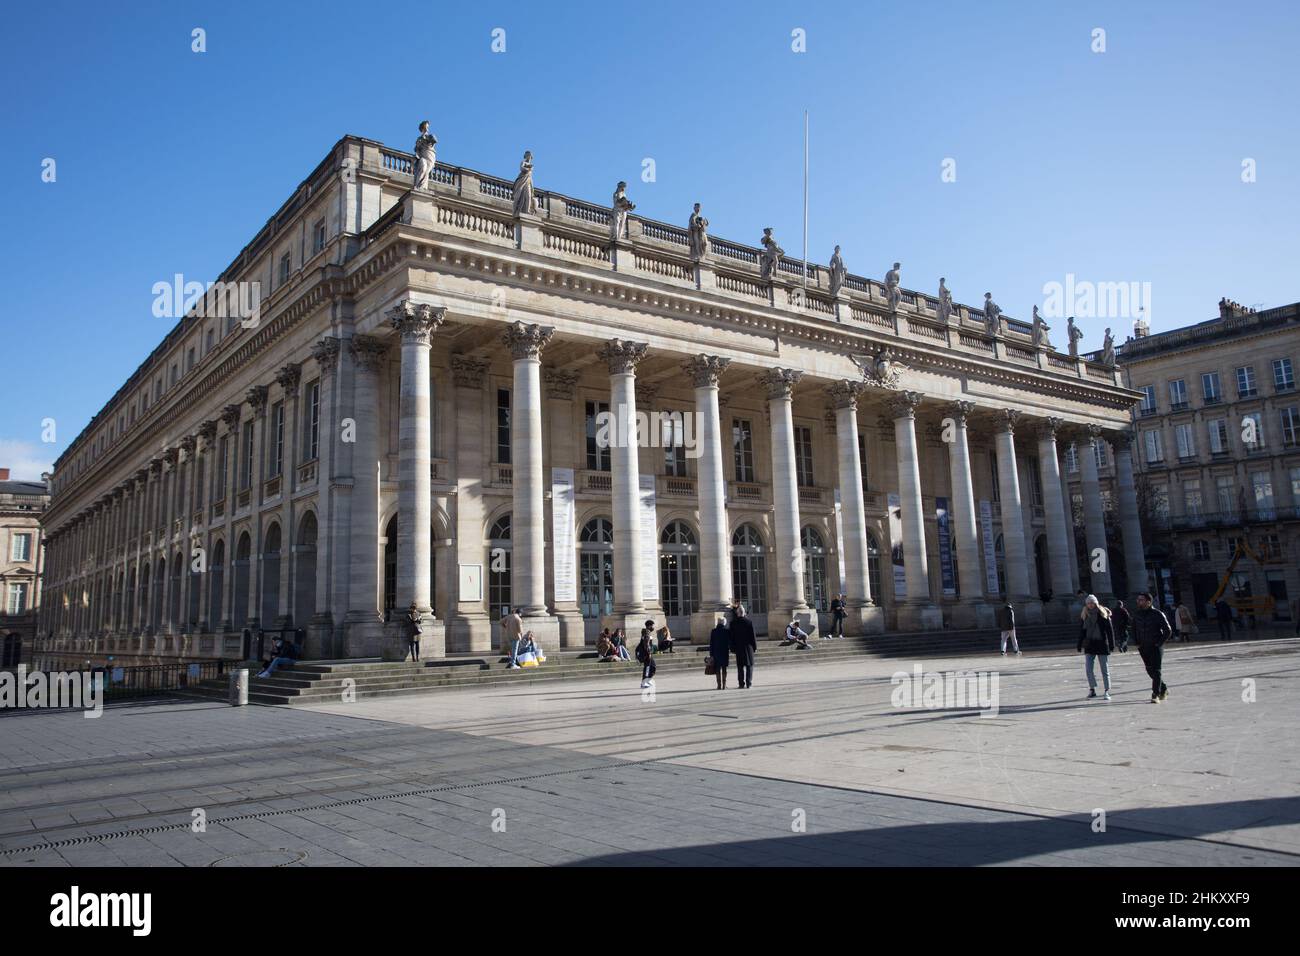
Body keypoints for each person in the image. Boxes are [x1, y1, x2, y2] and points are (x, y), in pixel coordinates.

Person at [1132, 592, 1172, 703]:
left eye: (1141, 600)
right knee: (1150, 670)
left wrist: (1159, 643)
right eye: (1138, 599)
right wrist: (1137, 642)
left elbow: (1168, 630)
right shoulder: (1137, 614)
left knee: (1157, 670)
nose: (1138, 601)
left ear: (1148, 602)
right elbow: (1133, 629)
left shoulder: (1157, 614)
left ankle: (1155, 694)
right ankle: (1163, 688)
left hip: (1155, 646)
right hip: (1143, 647)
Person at [1077, 594, 1116, 700]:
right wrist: (1079, 644)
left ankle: (1107, 690)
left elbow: (1109, 631)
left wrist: (1112, 644)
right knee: (1089, 669)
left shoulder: (1103, 614)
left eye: (1092, 603)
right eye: (1088, 603)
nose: (1090, 605)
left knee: (1104, 669)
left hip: (1102, 643)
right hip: (1089, 644)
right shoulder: (1084, 615)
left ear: (1096, 603)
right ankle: (1092, 689)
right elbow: (1082, 631)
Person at [729, 604, 757, 689]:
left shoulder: (733, 623)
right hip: (748, 647)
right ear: (744, 613)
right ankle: (749, 683)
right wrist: (755, 647)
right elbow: (753, 636)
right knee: (750, 666)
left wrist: (732, 648)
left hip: (738, 647)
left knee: (740, 667)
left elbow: (731, 637)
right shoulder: (748, 622)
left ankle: (741, 684)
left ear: (737, 613)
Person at [708, 616, 730, 690]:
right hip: (724, 652)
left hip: (716, 652)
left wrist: (711, 654)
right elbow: (729, 642)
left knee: (717, 668)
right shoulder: (727, 631)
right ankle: (724, 685)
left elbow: (711, 644)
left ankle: (719, 685)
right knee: (724, 668)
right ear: (724, 623)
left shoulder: (713, 631)